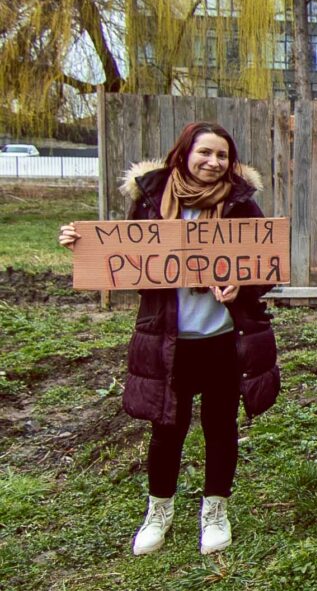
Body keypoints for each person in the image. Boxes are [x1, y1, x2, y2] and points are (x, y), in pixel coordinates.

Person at [59, 122, 280, 556]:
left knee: (221, 428)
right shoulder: (150, 201)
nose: (213, 163)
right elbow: (126, 261)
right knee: (166, 429)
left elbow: (262, 270)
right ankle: (158, 511)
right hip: (168, 340)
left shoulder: (241, 206)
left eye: (222, 156)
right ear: (184, 154)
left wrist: (242, 287)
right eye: (205, 153)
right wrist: (81, 247)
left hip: (223, 339)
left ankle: (215, 510)